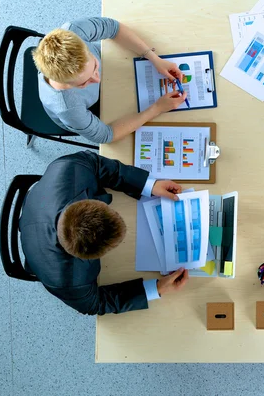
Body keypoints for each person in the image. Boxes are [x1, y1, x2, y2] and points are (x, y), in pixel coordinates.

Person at [19, 151, 189, 315]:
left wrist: (149, 185)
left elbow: (97, 164)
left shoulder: (72, 167)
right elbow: (95, 304)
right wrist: (156, 289)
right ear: (89, 258)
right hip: (35, 237)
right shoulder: (68, 283)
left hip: (38, 206)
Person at [32, 17, 187, 144]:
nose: (98, 78)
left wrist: (153, 58)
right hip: (91, 110)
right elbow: (105, 135)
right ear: (66, 85)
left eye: (94, 67)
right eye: (84, 82)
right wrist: (157, 109)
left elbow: (113, 28)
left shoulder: (73, 31)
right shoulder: (69, 108)